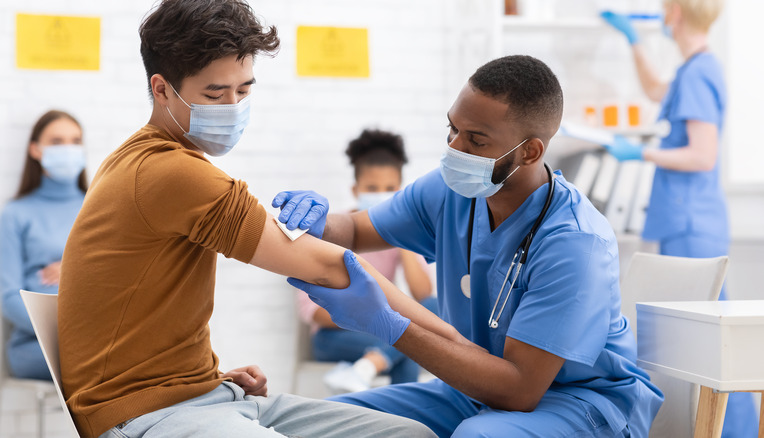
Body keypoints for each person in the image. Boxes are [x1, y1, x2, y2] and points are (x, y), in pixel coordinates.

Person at [55, 1, 458, 438]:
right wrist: (459, 351)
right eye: (214, 94)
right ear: (162, 89)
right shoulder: (170, 172)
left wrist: (206, 377)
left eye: (243, 91)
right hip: (143, 414)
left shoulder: (145, 159)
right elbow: (327, 265)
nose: (231, 107)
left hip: (205, 395)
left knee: (411, 434)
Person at [278, 55, 664, 437]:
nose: (455, 148)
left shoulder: (576, 243)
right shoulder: (450, 192)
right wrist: (318, 220)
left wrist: (390, 326)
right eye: (453, 129)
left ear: (530, 151)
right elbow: (356, 230)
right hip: (478, 392)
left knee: (480, 437)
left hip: (580, 403)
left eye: (476, 140)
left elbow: (519, 391)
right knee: (333, 420)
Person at [601, 2, 758, 436]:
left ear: (675, 13)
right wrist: (633, 41)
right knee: (700, 338)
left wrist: (641, 152)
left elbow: (702, 155)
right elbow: (656, 91)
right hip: (686, 221)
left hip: (692, 222)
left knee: (709, 342)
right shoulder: (694, 69)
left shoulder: (700, 71)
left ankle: (737, 431)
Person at [297, 129, 437, 394]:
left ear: (400, 192)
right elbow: (312, 312)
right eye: (372, 189)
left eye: (389, 190)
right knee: (407, 342)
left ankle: (366, 369)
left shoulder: (400, 234)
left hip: (379, 329)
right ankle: (404, 427)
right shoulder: (329, 231)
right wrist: (372, 318)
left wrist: (399, 235)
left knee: (434, 309)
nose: (381, 195)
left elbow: (424, 295)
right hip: (333, 337)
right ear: (355, 189)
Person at [0, 110, 87, 381]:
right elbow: (10, 298)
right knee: (103, 363)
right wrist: (67, 331)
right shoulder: (17, 213)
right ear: (35, 150)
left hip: (95, 338)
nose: (68, 149)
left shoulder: (99, 208)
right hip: (35, 345)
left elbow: (123, 277)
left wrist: (74, 268)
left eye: (75, 141)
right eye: (57, 141)